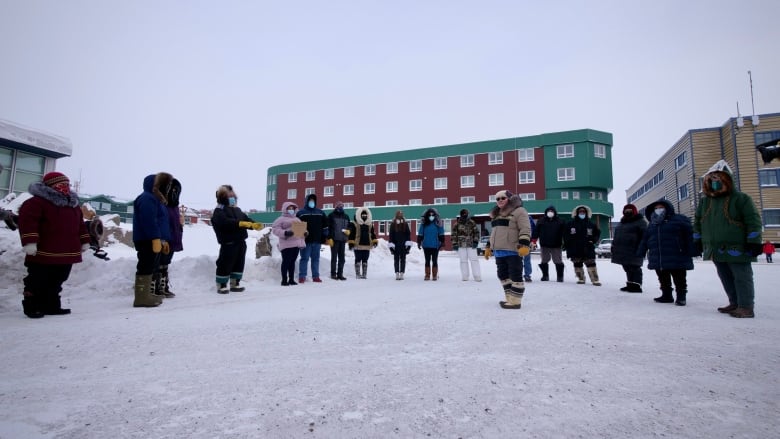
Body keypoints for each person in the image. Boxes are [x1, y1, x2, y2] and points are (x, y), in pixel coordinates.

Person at [694, 160, 763, 318]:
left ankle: (746, 306)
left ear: (727, 179)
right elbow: (698, 222)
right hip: (715, 248)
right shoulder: (705, 202)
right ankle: (734, 302)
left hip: (737, 247)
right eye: (712, 179)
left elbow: (753, 221)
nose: (715, 182)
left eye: (718, 178)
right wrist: (697, 240)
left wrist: (754, 241)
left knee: (741, 276)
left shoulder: (741, 198)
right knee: (725, 276)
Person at [17, 172, 90, 318]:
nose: (65, 188)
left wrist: (84, 240)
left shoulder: (73, 205)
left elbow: (80, 225)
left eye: (67, 185)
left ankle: (51, 305)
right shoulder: (36, 203)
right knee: (38, 279)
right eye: (61, 185)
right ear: (50, 186)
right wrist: (30, 241)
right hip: (44, 251)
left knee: (58, 279)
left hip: (67, 251)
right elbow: (28, 223)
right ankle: (32, 305)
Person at [636, 200, 695, 305]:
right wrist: (641, 251)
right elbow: (645, 239)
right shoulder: (652, 223)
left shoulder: (679, 220)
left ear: (668, 208)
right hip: (658, 255)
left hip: (677, 254)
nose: (658, 210)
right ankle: (666, 295)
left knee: (679, 277)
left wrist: (693, 249)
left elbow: (689, 236)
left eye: (661, 207)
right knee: (662, 276)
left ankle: (681, 297)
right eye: (656, 208)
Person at [482, 190, 532, 309]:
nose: (500, 200)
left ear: (509, 199)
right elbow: (494, 232)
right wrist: (489, 247)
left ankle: (515, 302)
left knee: (515, 275)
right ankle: (510, 298)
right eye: (497, 199)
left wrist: (524, 245)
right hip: (499, 251)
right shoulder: (497, 214)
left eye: (503, 198)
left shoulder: (519, 211)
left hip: (513, 249)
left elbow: (525, 228)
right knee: (502, 275)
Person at [211, 184, 263, 294]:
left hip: (240, 241)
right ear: (223, 197)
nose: (232, 198)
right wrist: (239, 223)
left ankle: (235, 283)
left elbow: (246, 219)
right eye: (229, 196)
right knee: (225, 263)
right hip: (228, 242)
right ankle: (221, 284)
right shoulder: (219, 211)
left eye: (233, 196)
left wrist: (254, 225)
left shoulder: (237, 210)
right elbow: (224, 222)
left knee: (239, 262)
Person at [133, 172, 173, 307]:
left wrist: (163, 240)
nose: (166, 188)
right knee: (145, 266)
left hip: (154, 239)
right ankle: (141, 298)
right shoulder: (147, 199)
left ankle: (147, 295)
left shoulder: (157, 201)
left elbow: (161, 223)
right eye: (164, 185)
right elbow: (149, 221)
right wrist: (155, 237)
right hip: (147, 239)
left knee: (152, 266)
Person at [611, 203, 648, 293]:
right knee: (627, 267)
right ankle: (630, 284)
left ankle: (637, 286)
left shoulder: (640, 222)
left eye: (630, 210)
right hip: (622, 249)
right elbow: (617, 235)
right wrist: (614, 246)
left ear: (634, 211)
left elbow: (645, 236)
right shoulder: (622, 222)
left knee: (635, 267)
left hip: (634, 249)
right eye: (626, 210)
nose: (628, 212)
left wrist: (642, 248)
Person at [157, 178, 183, 298]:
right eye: (173, 190)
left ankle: (163, 286)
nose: (175, 193)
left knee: (166, 263)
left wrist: (181, 226)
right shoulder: (161, 205)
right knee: (158, 263)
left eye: (177, 191)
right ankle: (157, 287)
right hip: (163, 239)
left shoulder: (175, 206)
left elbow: (174, 224)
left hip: (172, 239)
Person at [563, 205, 601, 286]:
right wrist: (567, 245)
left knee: (591, 264)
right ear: (576, 213)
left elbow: (597, 234)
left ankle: (595, 280)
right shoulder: (570, 224)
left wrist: (593, 240)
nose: (582, 213)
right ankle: (581, 278)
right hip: (575, 248)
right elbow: (566, 235)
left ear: (586, 213)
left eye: (583, 212)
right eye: (580, 212)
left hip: (588, 247)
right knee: (577, 264)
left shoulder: (591, 224)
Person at [271, 201, 306, 286]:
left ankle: (291, 279)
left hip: (296, 244)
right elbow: (275, 229)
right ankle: (284, 280)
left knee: (292, 262)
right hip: (286, 244)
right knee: (286, 262)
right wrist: (285, 233)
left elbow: (302, 230)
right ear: (285, 209)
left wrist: (305, 232)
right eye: (289, 208)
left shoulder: (297, 219)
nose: (291, 210)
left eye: (293, 208)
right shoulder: (280, 219)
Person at [296, 193, 329, 283]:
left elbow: (325, 226)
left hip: (317, 240)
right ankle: (302, 276)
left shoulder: (320, 212)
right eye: (310, 200)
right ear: (306, 201)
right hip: (305, 241)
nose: (312, 202)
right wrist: (299, 238)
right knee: (304, 258)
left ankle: (316, 276)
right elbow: (297, 227)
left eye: (313, 201)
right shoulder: (301, 213)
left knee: (315, 259)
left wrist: (325, 236)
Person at [532, 205, 566, 282]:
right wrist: (534, 241)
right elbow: (536, 231)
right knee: (544, 260)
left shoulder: (560, 221)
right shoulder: (541, 221)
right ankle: (545, 276)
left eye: (552, 211)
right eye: (548, 211)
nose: (550, 213)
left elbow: (565, 233)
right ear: (546, 212)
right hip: (544, 245)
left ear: (554, 212)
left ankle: (560, 277)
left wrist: (566, 242)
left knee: (558, 261)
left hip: (556, 245)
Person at [451, 208, 482, 281]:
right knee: (463, 261)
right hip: (461, 245)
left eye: (466, 214)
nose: (464, 215)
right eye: (463, 214)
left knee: (474, 260)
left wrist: (475, 241)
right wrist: (454, 244)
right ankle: (465, 276)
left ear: (468, 214)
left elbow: (476, 232)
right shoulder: (457, 224)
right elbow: (453, 234)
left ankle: (477, 276)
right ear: (461, 215)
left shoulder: (472, 222)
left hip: (471, 244)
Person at [347, 206, 377, 279]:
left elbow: (372, 233)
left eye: (365, 215)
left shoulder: (369, 224)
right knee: (358, 259)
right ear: (359, 215)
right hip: (357, 245)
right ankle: (357, 274)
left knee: (365, 260)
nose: (364, 216)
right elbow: (352, 234)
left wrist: (374, 241)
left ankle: (364, 274)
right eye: (362, 215)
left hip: (367, 245)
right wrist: (351, 242)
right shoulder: (354, 224)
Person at [417, 207, 444, 280]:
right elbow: (420, 233)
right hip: (426, 245)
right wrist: (419, 242)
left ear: (435, 215)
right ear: (427, 215)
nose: (431, 216)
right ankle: (427, 275)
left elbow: (441, 233)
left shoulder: (438, 223)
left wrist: (442, 242)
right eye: (430, 215)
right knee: (427, 260)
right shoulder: (424, 223)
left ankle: (434, 275)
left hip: (435, 245)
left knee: (435, 260)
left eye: (433, 215)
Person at [326, 201, 350, 280]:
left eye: (342, 205)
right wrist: (329, 238)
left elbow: (349, 226)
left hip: (343, 240)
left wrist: (349, 231)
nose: (341, 207)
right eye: (339, 205)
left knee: (342, 258)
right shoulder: (331, 215)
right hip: (334, 240)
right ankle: (333, 274)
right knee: (334, 258)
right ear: (336, 207)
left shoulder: (346, 216)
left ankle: (340, 274)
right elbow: (328, 228)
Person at [388, 210, 412, 280]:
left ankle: (402, 273)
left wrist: (408, 247)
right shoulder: (393, 224)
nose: (400, 215)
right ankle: (397, 273)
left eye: (401, 214)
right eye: (399, 214)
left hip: (403, 245)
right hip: (396, 245)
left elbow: (408, 235)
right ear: (396, 215)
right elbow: (391, 236)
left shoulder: (405, 223)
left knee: (403, 260)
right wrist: (391, 247)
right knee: (396, 260)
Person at [522, 217, 535, 282]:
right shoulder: (513, 217)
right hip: (515, 242)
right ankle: (516, 274)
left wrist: (532, 241)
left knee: (527, 259)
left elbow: (533, 230)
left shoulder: (529, 218)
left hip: (527, 241)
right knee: (516, 260)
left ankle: (527, 275)